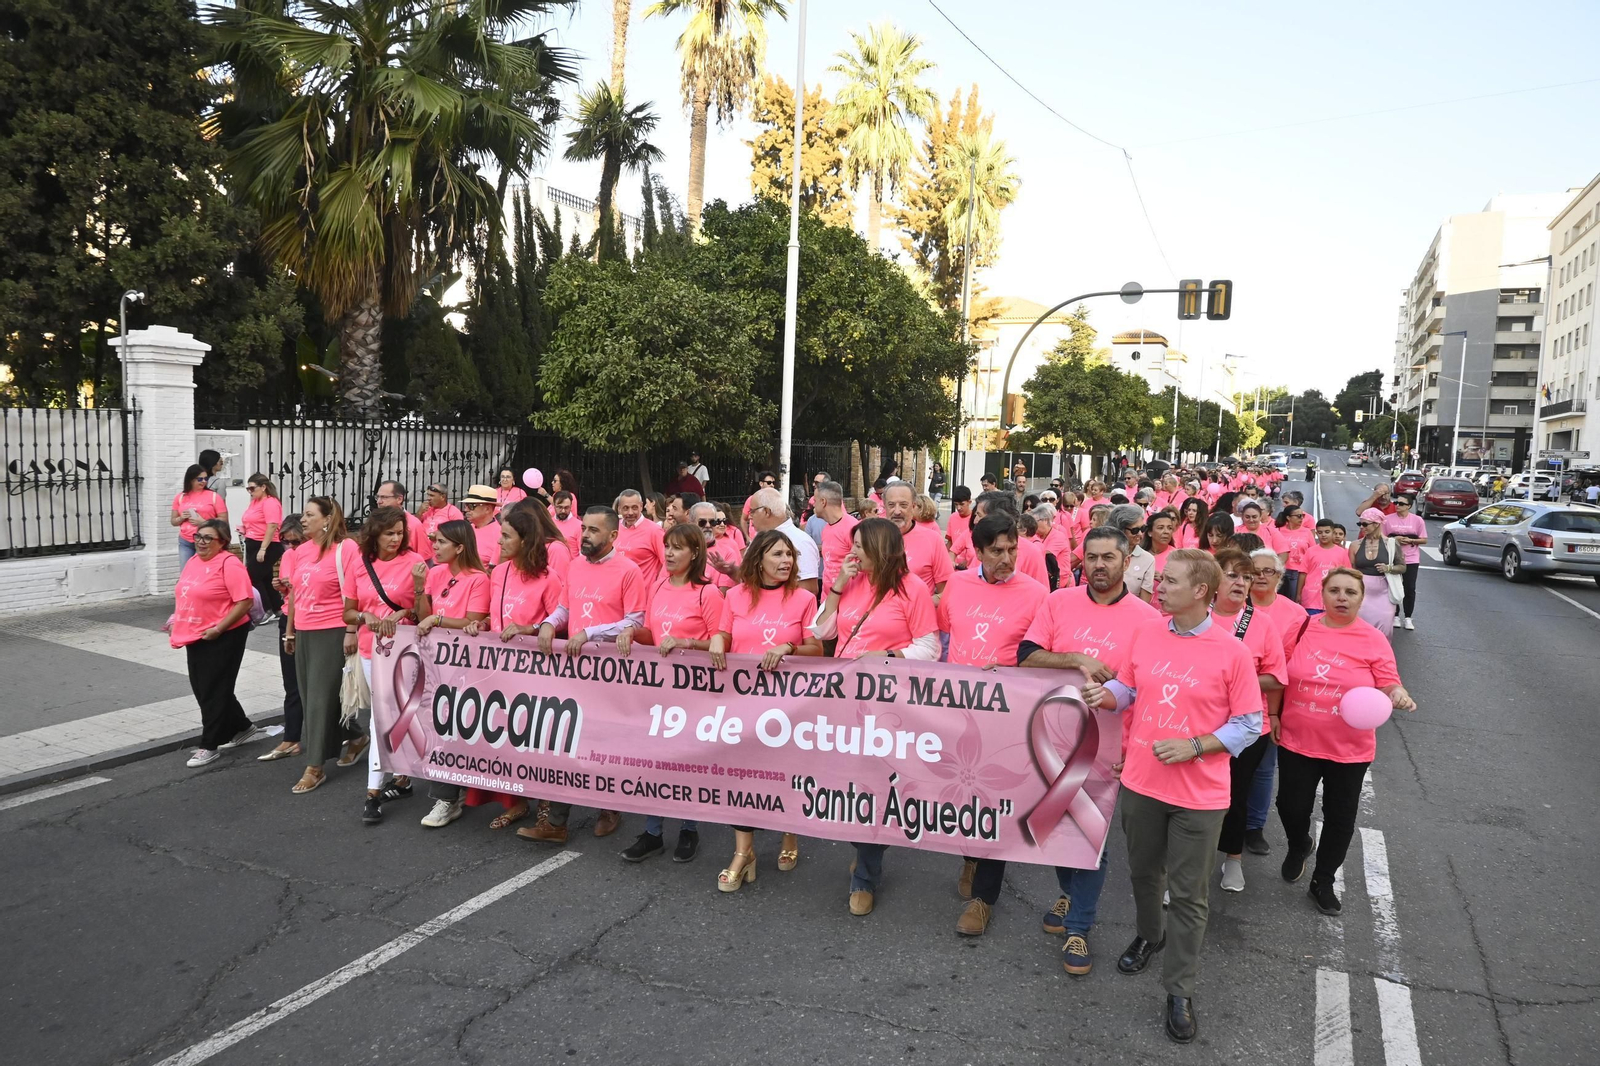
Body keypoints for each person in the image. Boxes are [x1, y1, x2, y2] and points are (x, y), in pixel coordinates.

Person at [1080, 549, 1262, 1044]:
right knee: (1142, 873)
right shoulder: (1146, 632)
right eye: (1160, 579)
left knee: (1188, 895)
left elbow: (1250, 724)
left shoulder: (1232, 652)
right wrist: (1109, 695)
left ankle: (1179, 989)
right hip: (1141, 783)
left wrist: (1195, 746)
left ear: (1201, 591)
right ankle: (1148, 935)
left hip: (1201, 795)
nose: (1158, 587)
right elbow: (1130, 685)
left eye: (1171, 581)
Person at [964, 525, 1159, 964]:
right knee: (1057, 828)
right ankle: (1070, 895)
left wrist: (1136, 746)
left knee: (1091, 838)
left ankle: (1079, 930)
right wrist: (1077, 659)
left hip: (1109, 748)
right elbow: (1028, 654)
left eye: (1109, 558)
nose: (1099, 565)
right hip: (1048, 741)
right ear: (1081, 560)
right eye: (1091, 557)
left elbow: (1148, 687)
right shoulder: (1058, 602)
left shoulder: (1148, 620)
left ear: (1128, 562)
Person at [812, 518, 939, 916]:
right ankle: (868, 847)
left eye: (860, 547)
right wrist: (835, 587)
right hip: (844, 701)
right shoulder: (849, 580)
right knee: (851, 783)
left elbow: (930, 647)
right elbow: (821, 631)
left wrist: (885, 657)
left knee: (875, 785)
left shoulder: (912, 588)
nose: (852, 553)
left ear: (882, 549)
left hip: (889, 704)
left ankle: (866, 873)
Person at [1276, 568, 1415, 914]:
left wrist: (1397, 693)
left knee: (1340, 818)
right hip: (1297, 739)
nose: (1341, 597)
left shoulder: (1371, 639)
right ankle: (1299, 843)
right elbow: (1279, 673)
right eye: (1334, 590)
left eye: (1350, 592)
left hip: (1349, 748)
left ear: (1360, 598)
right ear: (1321, 594)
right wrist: (1274, 715)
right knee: (1290, 806)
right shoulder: (1303, 627)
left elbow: (1388, 679)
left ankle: (1323, 881)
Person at [708, 529, 825, 890]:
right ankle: (745, 853)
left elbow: (817, 650)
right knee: (741, 776)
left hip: (787, 706)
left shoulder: (804, 599)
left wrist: (788, 647)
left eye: (789, 555)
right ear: (758, 560)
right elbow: (725, 635)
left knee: (784, 771)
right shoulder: (736, 595)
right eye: (777, 555)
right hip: (742, 703)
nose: (786, 561)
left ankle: (789, 834)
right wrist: (716, 637)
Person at [521, 507, 643, 843]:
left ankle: (609, 808)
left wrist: (591, 633)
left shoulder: (629, 571)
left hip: (611, 673)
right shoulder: (575, 566)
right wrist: (547, 623)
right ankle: (556, 823)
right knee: (566, 739)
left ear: (613, 536)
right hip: (573, 670)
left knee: (604, 743)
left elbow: (636, 620)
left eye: (593, 531)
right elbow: (565, 607)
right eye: (584, 529)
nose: (584, 535)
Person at [618, 522, 722, 863]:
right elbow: (654, 635)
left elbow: (723, 644)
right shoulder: (659, 585)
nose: (670, 554)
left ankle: (689, 828)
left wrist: (687, 642)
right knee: (653, 759)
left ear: (695, 553)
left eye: (678, 548)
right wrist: (633, 632)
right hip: (657, 690)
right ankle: (652, 832)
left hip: (693, 692)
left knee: (685, 762)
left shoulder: (708, 592)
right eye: (667, 547)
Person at [1206, 548, 1287, 893]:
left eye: (1246, 576)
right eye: (1232, 575)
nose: (1241, 582)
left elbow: (1276, 677)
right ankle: (1189, 870)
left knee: (1235, 796)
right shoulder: (1196, 616)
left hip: (1246, 729)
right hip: (1197, 722)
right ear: (1212, 580)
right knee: (1196, 801)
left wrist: (1233, 679)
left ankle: (1233, 859)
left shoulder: (1262, 623)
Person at [340, 506, 425, 826]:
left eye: (400, 533)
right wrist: (365, 617)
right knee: (384, 716)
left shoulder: (414, 562)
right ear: (374, 533)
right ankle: (400, 779)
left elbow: (423, 611)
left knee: (389, 716)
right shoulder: (360, 565)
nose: (396, 539)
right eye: (389, 533)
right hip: (369, 650)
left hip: (406, 650)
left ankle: (373, 792)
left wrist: (404, 611)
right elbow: (348, 612)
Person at [283, 496, 364, 795]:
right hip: (304, 631)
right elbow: (294, 595)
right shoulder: (301, 551)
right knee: (311, 699)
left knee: (319, 700)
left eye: (309, 515)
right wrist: (289, 633)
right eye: (302, 515)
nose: (302, 520)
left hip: (332, 630)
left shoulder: (346, 548)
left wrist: (351, 630)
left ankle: (314, 767)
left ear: (328, 519)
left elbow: (354, 592)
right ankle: (355, 736)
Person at [415, 519, 493, 827]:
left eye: (441, 542)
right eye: (434, 540)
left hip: (466, 666)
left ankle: (447, 798)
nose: (434, 546)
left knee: (452, 728)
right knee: (441, 728)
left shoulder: (478, 579)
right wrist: (420, 589)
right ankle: (452, 792)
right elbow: (423, 615)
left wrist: (436, 620)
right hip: (437, 663)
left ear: (460, 547)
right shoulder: (435, 573)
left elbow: (472, 623)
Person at [171, 518, 262, 767]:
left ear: (222, 542)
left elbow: (244, 601)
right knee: (204, 687)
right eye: (198, 537)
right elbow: (186, 592)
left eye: (208, 538)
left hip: (225, 633)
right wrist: (176, 617)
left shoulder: (229, 564)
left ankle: (209, 745)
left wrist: (219, 628)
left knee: (213, 689)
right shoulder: (193, 562)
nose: (201, 542)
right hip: (196, 631)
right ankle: (242, 727)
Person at [1242, 546, 1308, 855]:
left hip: (1270, 699)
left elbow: (1289, 668)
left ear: (1280, 577)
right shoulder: (1232, 605)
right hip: (1225, 699)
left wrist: (1276, 712)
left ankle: (1254, 827)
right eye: (1254, 571)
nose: (1260, 577)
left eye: (1268, 571)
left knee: (1264, 768)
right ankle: (1225, 819)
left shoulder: (1295, 614)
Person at [259, 515, 307, 762]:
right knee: (292, 683)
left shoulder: (319, 554)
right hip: (290, 620)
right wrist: (281, 587)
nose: (290, 547)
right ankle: (292, 738)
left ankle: (346, 732)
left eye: (296, 541)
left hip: (315, 622)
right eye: (286, 542)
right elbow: (289, 592)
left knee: (323, 685)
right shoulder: (289, 556)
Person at [745, 486, 822, 596]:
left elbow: (809, 590)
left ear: (767, 511)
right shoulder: (759, 538)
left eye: (752, 511)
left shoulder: (800, 542)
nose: (749, 517)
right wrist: (732, 571)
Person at [884, 482, 953, 598]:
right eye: (891, 505)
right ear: (884, 506)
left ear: (913, 506)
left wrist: (921, 605)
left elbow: (947, 591)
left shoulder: (932, 540)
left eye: (903, 505)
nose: (897, 511)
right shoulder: (872, 538)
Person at [1349, 509, 1404, 638]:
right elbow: (1352, 569)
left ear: (1376, 524)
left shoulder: (1391, 543)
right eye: (1360, 524)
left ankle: (1381, 656)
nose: (1362, 527)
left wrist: (1388, 568)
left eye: (1365, 524)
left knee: (1384, 629)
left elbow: (1402, 567)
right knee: (1360, 628)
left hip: (1384, 592)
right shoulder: (1355, 545)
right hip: (1362, 592)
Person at [241, 474, 285, 617]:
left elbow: (272, 526)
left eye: (253, 488)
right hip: (253, 541)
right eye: (248, 489)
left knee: (252, 576)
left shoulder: (270, 502)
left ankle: (266, 609)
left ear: (263, 487)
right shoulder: (255, 502)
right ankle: (277, 608)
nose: (250, 492)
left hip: (267, 544)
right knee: (264, 578)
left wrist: (263, 549)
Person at [1381, 495, 1426, 630]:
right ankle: (1394, 615)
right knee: (1393, 585)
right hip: (1392, 557)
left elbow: (1424, 539)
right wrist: (1394, 540)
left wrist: (1411, 540)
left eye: (1401, 503)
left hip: (1411, 558)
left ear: (1409, 506)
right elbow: (1381, 536)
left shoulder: (1417, 520)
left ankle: (1408, 617)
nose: (1397, 505)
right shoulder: (1387, 519)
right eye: (1396, 502)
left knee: (1409, 587)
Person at [171, 463, 228, 570]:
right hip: (186, 540)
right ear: (191, 480)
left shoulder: (213, 496)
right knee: (186, 571)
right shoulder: (180, 497)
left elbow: (223, 520)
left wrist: (204, 522)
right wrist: (181, 517)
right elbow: (173, 521)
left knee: (206, 570)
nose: (204, 482)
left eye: (205, 478)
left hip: (207, 540)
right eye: (200, 479)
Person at [814, 479, 859, 595]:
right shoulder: (826, 529)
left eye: (815, 500)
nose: (813, 504)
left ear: (823, 502)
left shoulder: (853, 528)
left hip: (847, 600)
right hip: (828, 600)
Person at [615, 489, 667, 587]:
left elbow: (667, 562)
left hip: (644, 596)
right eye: (626, 508)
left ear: (641, 506)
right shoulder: (614, 528)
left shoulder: (655, 531)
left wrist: (658, 587)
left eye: (634, 508)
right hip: (616, 593)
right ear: (619, 509)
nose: (630, 512)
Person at [1299, 520, 1352, 615]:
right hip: (1311, 599)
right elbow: (1303, 573)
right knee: (1311, 625)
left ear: (1332, 532)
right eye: (1320, 532)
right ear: (1316, 533)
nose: (1323, 535)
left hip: (1333, 598)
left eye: (1327, 532)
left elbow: (1347, 574)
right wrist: (1298, 594)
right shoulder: (1310, 551)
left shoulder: (1341, 552)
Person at [1109, 504, 1156, 602]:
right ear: (1120, 530)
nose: (1140, 534)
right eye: (1135, 530)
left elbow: (1144, 602)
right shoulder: (1104, 553)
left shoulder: (1147, 559)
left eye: (1142, 529)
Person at [375, 480, 430, 561]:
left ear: (399, 499)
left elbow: (425, 560)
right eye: (377, 497)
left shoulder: (414, 525)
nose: (379, 501)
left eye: (384, 497)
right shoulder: (374, 521)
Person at [1274, 506, 1314, 602]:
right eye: (1298, 516)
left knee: (1294, 600)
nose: (1301, 518)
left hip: (1298, 573)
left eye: (1303, 516)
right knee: (1277, 599)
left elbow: (1312, 552)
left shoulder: (1307, 532)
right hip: (1281, 570)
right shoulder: (1278, 531)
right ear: (1288, 517)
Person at [460, 485, 502, 566]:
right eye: (466, 505)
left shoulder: (499, 535)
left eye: (471, 506)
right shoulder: (466, 529)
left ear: (487, 509)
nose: (466, 509)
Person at [418, 483, 463, 555]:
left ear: (442, 497)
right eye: (428, 495)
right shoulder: (425, 509)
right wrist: (419, 513)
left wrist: (438, 536)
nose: (428, 498)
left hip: (441, 556)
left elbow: (459, 535)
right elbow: (413, 526)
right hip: (423, 554)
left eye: (432, 495)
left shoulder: (454, 512)